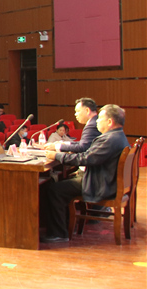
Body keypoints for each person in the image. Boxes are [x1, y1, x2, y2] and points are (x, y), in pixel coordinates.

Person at [40, 104, 129, 243]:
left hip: (99, 184)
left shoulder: (110, 139)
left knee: (54, 189)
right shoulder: (117, 136)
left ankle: (58, 233)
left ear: (110, 122)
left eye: (100, 118)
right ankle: (63, 226)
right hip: (104, 180)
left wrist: (56, 156)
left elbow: (86, 158)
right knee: (60, 181)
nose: (97, 121)